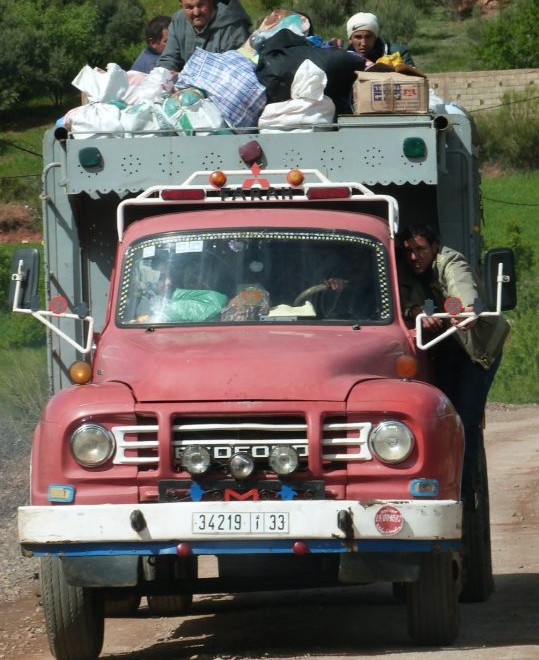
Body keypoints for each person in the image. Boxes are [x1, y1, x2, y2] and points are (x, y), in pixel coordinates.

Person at [398, 224, 510, 507]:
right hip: (444, 348)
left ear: (435, 247)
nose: (414, 256)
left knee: (464, 420)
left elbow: (462, 294)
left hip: (475, 349)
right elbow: (405, 297)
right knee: (439, 419)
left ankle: (464, 494)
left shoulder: (451, 261)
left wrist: (460, 309)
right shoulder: (403, 268)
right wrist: (415, 311)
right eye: (409, 250)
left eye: (420, 249)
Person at [157, 0, 251, 73]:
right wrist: (164, 74)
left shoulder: (233, 27)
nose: (196, 12)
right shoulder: (179, 20)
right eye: (189, 7)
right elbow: (169, 58)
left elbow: (235, 70)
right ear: (181, 4)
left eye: (201, 5)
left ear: (211, 1)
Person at [346, 12, 415, 67]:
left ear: (375, 37)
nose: (363, 43)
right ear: (350, 39)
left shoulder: (397, 53)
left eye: (368, 37)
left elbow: (414, 81)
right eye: (358, 37)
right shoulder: (343, 59)